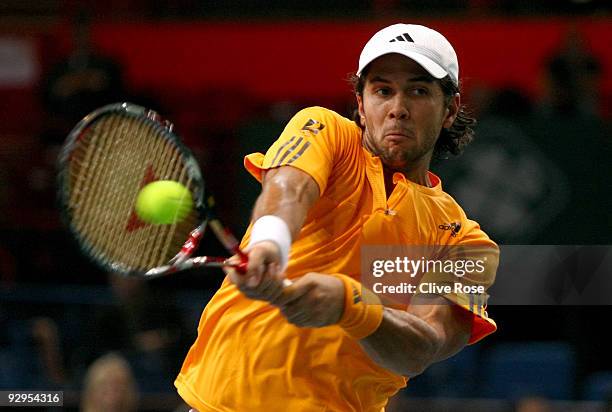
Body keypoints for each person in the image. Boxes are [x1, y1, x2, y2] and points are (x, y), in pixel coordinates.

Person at [175, 23, 499, 411]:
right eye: (382, 91)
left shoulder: (467, 243)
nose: (397, 108)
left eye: (418, 90)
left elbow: (424, 346)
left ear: (450, 109)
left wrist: (352, 308)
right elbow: (288, 189)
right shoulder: (326, 131)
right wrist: (270, 242)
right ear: (361, 105)